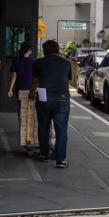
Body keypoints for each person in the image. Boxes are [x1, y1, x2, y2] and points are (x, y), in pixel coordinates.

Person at [30, 39, 73, 168]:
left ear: (44, 51)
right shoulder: (66, 63)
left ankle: (44, 154)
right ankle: (61, 159)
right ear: (58, 50)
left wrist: (32, 94)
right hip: (62, 98)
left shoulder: (39, 63)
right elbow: (68, 81)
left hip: (44, 98)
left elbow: (35, 81)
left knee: (43, 126)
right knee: (61, 129)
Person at [7, 42, 38, 156]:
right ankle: (28, 131)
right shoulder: (33, 61)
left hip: (19, 88)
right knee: (30, 110)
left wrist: (10, 89)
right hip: (30, 89)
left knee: (21, 109)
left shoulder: (16, 61)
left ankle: (21, 128)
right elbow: (36, 77)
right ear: (29, 50)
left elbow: (14, 76)